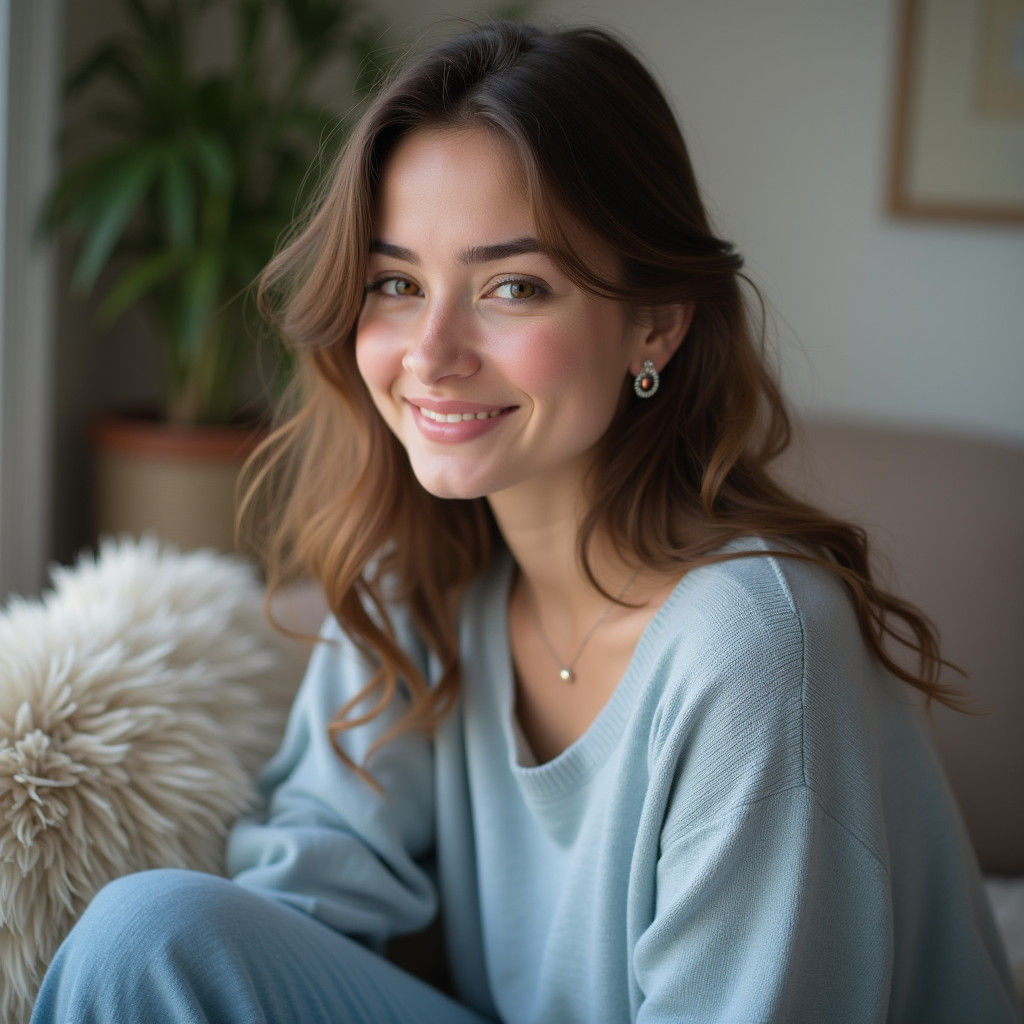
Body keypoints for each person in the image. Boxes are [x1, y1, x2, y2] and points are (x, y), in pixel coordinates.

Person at [32, 20, 1017, 1024]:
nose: (432, 350)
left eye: (513, 286)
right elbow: (297, 909)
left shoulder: (755, 644)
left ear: (656, 323)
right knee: (144, 935)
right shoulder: (418, 572)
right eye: (396, 284)